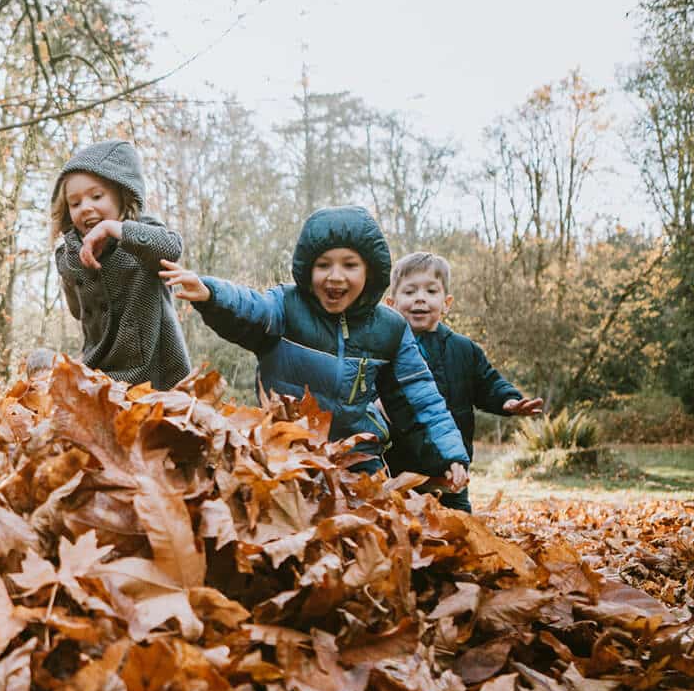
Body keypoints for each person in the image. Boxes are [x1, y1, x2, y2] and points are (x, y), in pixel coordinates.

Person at [160, 205, 469, 485]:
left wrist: (450, 455)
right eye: (323, 265)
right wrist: (211, 293)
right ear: (309, 270)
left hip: (357, 457)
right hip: (287, 449)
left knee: (370, 528)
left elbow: (420, 398)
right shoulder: (285, 307)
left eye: (350, 265)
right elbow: (251, 307)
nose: (335, 277)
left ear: (369, 272)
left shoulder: (390, 329)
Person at [384, 251, 544, 511]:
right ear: (391, 304)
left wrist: (508, 400)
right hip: (399, 469)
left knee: (458, 531)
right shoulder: (385, 351)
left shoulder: (463, 350)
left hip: (451, 473)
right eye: (410, 292)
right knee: (403, 532)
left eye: (431, 291)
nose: (420, 299)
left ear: (446, 303)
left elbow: (487, 382)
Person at [51, 140, 191, 390]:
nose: (86, 207)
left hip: (156, 376)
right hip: (101, 374)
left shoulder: (142, 236)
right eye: (75, 203)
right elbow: (78, 311)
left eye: (96, 196)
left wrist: (113, 229)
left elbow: (172, 248)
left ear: (122, 194)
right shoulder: (69, 256)